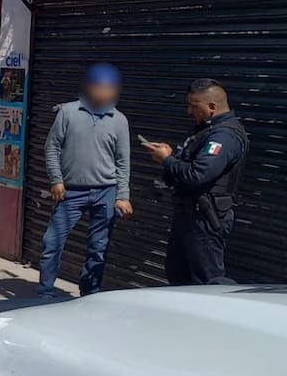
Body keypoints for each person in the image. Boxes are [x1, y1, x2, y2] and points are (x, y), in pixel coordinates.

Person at [39, 63, 133, 297]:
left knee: (98, 248)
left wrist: (123, 196)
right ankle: (45, 293)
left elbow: (123, 161)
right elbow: (52, 147)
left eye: (109, 88)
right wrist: (56, 179)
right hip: (71, 191)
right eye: (100, 87)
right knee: (52, 242)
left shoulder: (119, 120)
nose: (104, 93)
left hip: (106, 192)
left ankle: (89, 294)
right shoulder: (68, 112)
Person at [144, 79, 248, 285]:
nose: (189, 111)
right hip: (189, 215)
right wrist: (172, 158)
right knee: (177, 274)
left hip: (205, 220)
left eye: (193, 106)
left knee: (206, 283)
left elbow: (197, 175)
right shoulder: (206, 130)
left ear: (212, 107)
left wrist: (167, 159)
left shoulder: (224, 136)